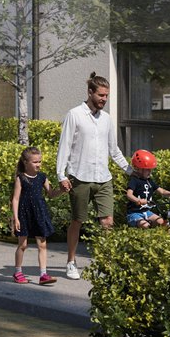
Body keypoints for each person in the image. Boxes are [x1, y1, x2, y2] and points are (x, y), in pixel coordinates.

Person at [54, 73, 128, 280]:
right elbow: (64, 146)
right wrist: (61, 174)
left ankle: (107, 262)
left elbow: (114, 151)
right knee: (77, 221)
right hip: (80, 177)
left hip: (103, 178)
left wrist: (131, 170)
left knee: (108, 222)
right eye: (101, 95)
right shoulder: (74, 115)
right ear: (90, 92)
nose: (104, 99)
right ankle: (71, 261)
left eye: (106, 96)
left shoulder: (106, 120)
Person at [9, 145, 59, 285]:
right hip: (24, 214)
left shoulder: (42, 177)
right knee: (22, 245)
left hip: (39, 213)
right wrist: (16, 217)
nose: (38, 164)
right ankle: (18, 272)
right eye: (35, 162)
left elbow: (52, 193)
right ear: (26, 162)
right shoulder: (21, 178)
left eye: (40, 161)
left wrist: (62, 190)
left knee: (42, 245)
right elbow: (16, 199)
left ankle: (43, 274)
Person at [125, 150, 170, 229]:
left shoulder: (149, 181)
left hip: (147, 212)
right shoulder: (134, 180)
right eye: (147, 169)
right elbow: (129, 194)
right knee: (145, 226)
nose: (150, 172)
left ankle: (164, 240)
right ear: (139, 168)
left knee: (164, 223)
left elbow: (162, 191)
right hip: (134, 213)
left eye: (150, 169)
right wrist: (138, 201)